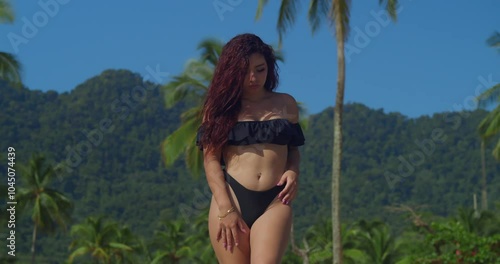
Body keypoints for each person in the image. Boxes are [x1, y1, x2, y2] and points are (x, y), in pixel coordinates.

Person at [196, 33, 305, 263]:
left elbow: (293, 149)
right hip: (231, 198)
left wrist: (293, 171)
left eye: (260, 69)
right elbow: (211, 160)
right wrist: (226, 210)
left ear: (270, 68)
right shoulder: (219, 110)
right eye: (245, 71)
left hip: (275, 201)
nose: (253, 77)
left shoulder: (286, 104)